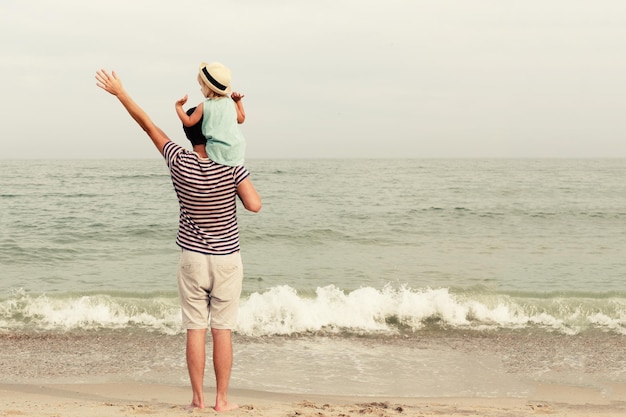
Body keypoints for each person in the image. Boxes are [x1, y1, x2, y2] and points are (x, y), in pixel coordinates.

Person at [95, 69, 261, 412]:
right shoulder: (233, 166)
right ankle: (221, 400)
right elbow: (254, 205)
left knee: (195, 330)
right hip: (227, 259)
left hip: (192, 260)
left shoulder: (179, 160)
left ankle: (198, 399)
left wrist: (121, 93)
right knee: (223, 331)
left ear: (190, 133)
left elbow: (148, 126)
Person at [175, 62, 247, 167]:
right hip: (237, 150)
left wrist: (178, 107)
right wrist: (238, 101)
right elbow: (241, 119)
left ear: (207, 87)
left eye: (201, 85)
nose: (200, 89)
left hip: (217, 152)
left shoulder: (203, 106)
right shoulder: (231, 104)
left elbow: (188, 122)